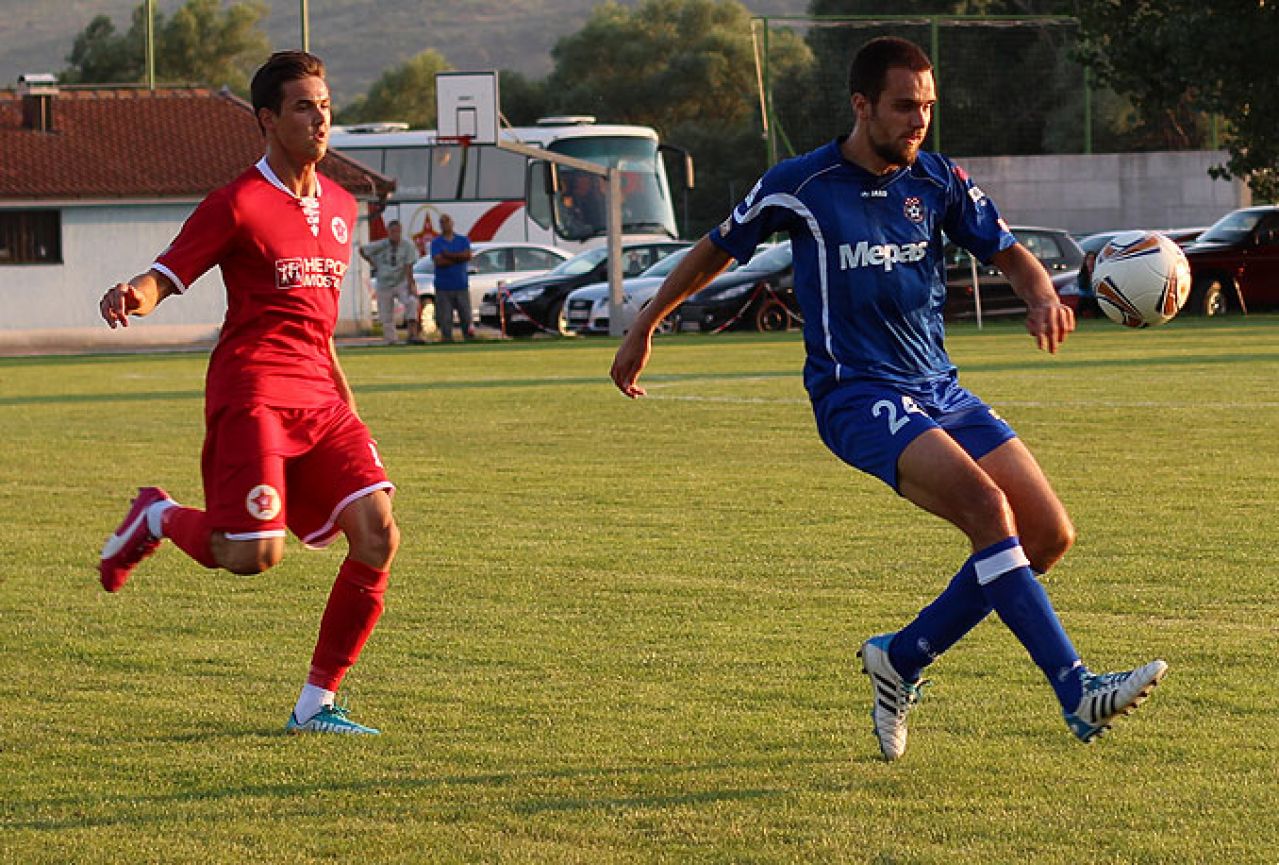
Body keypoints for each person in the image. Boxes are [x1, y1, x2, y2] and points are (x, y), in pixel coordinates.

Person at [611, 36, 1167, 761]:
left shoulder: (936, 180)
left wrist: (1039, 295)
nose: (918, 122)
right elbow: (718, 247)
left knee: (1046, 535)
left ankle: (900, 658)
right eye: (904, 106)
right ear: (861, 104)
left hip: (940, 388)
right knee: (987, 510)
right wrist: (646, 321)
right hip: (856, 394)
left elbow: (1005, 249)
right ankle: (1075, 689)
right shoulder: (800, 184)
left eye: (928, 107)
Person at [96, 51, 398, 736]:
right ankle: (158, 516)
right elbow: (165, 274)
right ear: (267, 119)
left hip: (321, 397)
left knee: (378, 533)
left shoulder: (344, 206)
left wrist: (350, 411)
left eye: (324, 105)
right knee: (252, 554)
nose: (320, 118)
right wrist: (130, 295)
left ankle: (315, 705)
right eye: (302, 106)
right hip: (253, 392)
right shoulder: (237, 203)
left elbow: (317, 328)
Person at [360, 219, 424, 344]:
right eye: (392, 231)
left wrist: (411, 285)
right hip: (384, 282)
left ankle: (412, 334)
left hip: (400, 281)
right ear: (388, 232)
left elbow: (408, 266)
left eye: (397, 231)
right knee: (386, 313)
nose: (395, 234)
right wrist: (374, 263)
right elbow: (363, 250)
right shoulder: (381, 245)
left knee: (411, 302)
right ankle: (391, 339)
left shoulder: (407, 246)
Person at [429, 213, 473, 341]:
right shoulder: (436, 242)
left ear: (452, 223)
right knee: (445, 319)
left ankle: (468, 339)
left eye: (447, 222)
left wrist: (447, 254)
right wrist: (459, 258)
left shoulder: (463, 240)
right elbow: (439, 262)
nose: (445, 224)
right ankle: (447, 340)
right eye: (442, 222)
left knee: (466, 317)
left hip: (461, 285)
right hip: (443, 286)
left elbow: (468, 256)